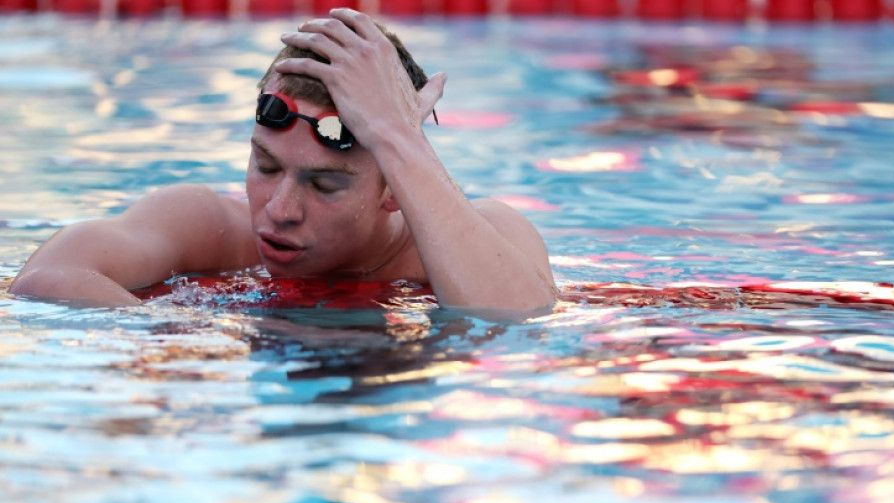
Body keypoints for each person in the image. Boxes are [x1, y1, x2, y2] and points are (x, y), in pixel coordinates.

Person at [10, 8, 557, 313]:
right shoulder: (211, 232)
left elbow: (517, 323)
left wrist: (396, 138)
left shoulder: (488, 235)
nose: (279, 210)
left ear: (394, 185)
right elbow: (47, 277)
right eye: (266, 166)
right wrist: (176, 338)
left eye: (325, 185)